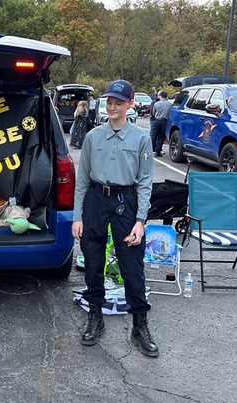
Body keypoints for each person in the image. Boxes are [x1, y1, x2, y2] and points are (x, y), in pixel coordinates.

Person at [72, 79, 158, 358]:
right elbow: (82, 180)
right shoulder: (93, 136)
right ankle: (95, 316)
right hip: (96, 200)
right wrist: (77, 217)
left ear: (130, 104)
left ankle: (139, 324)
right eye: (109, 101)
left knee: (132, 265)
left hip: (126, 203)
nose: (112, 106)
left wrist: (140, 220)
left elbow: (145, 182)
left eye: (118, 102)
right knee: (93, 260)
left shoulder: (141, 139)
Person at [151, 91, 172, 157]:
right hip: (165, 121)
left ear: (161, 96)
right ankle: (158, 150)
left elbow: (153, 113)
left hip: (157, 120)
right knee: (161, 136)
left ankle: (152, 149)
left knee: (154, 135)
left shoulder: (156, 104)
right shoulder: (170, 104)